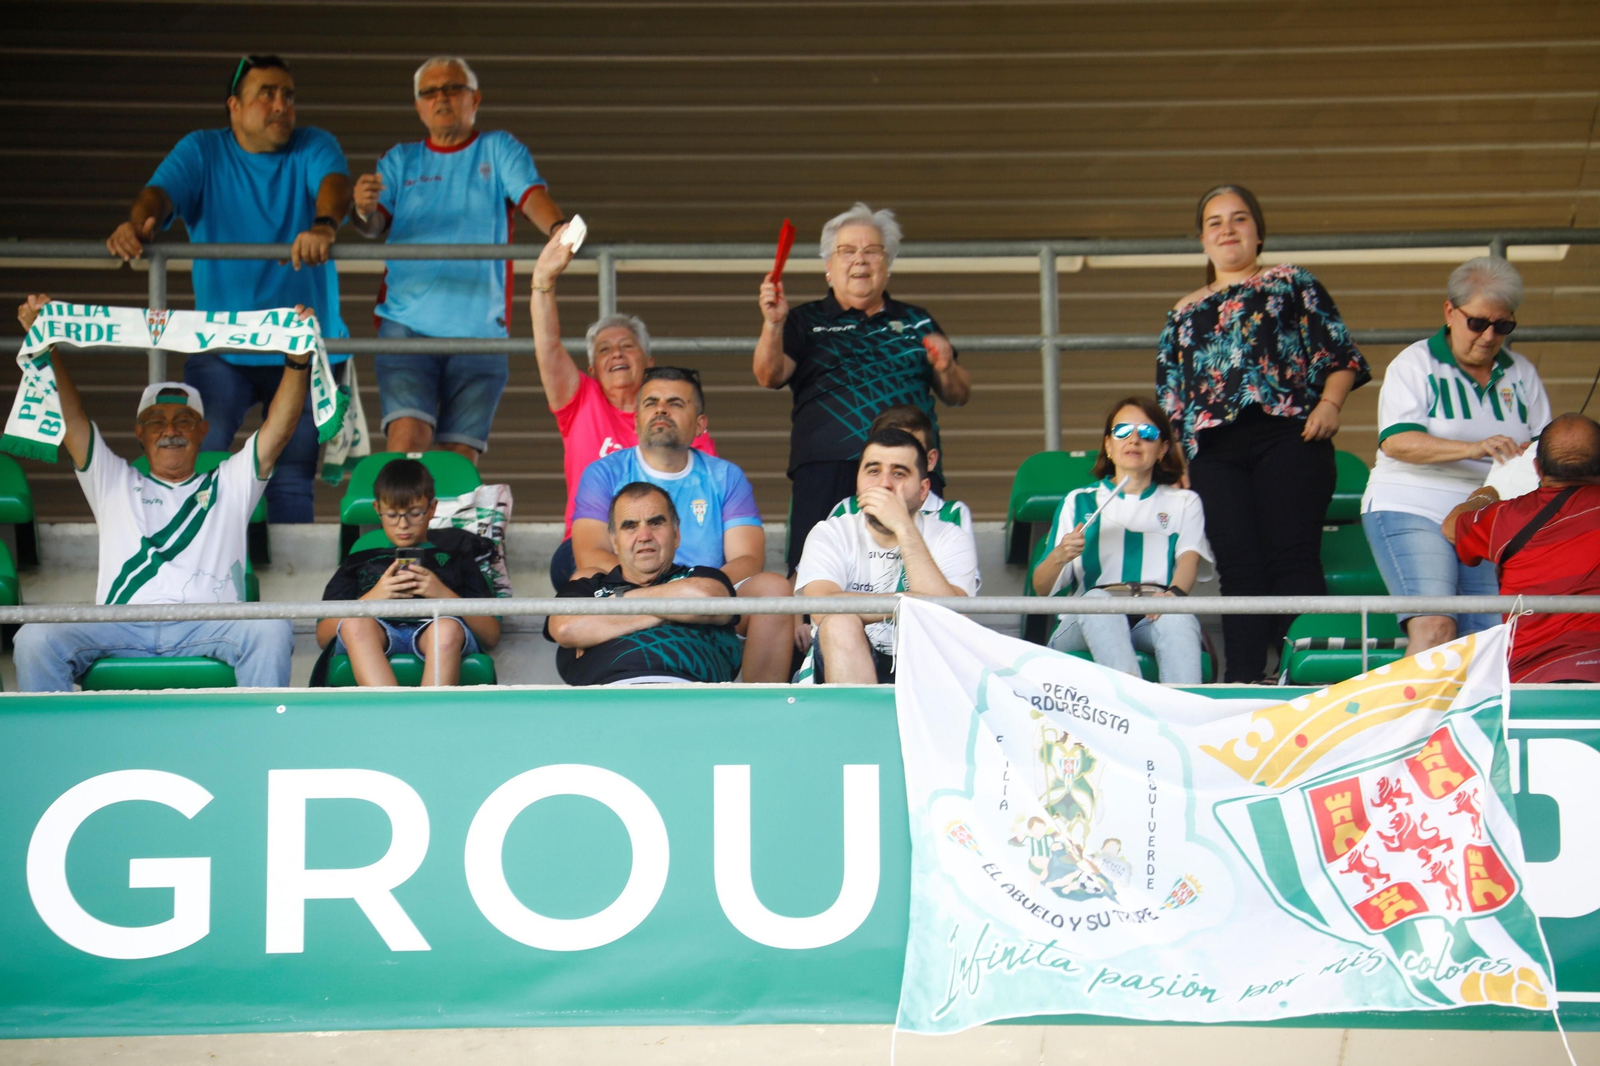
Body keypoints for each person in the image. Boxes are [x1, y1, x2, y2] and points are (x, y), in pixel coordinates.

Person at [105, 55, 352, 523]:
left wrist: (323, 226)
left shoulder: (314, 144)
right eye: (267, 94)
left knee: (293, 473)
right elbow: (157, 195)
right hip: (222, 346)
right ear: (234, 107)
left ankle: (289, 588)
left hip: (300, 345)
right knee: (202, 457)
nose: (281, 104)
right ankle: (196, 562)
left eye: (288, 94)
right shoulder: (203, 150)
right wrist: (138, 225)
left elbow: (335, 185)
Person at [11, 294, 302, 691]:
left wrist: (298, 360)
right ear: (140, 433)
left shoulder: (229, 482)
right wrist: (46, 348)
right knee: (33, 638)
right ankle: (53, 749)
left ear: (203, 431)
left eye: (184, 421)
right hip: (118, 625)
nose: (170, 431)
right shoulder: (113, 480)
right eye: (156, 422)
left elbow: (280, 428)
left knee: (271, 631)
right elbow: (71, 419)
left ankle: (260, 747)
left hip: (209, 623)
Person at [1156, 184, 1370, 682]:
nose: (1227, 229)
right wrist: (1181, 462)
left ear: (1258, 234)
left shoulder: (1292, 281)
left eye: (1239, 219)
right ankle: (1245, 682)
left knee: (1292, 558)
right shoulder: (1182, 313)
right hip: (1214, 453)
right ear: (1202, 241)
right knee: (1239, 570)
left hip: (1289, 438)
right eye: (1215, 222)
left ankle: (1309, 680)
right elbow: (1172, 400)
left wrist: (1331, 403)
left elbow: (1339, 355)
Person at [351, 56, 567, 464]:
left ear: (475, 99)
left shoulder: (498, 148)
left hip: (479, 331)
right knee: (406, 437)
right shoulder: (399, 159)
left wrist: (558, 230)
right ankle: (397, 530)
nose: (441, 98)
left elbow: (531, 197)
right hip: (406, 324)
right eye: (429, 92)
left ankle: (445, 532)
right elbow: (373, 224)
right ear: (418, 106)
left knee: (458, 455)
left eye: (452, 88)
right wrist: (361, 209)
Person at [755, 203, 972, 573]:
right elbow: (768, 375)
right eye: (847, 251)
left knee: (917, 569)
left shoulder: (917, 319)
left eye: (872, 250)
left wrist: (946, 366)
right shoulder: (804, 320)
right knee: (817, 571)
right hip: (828, 464)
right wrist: (773, 325)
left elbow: (958, 393)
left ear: (887, 265)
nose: (860, 260)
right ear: (828, 266)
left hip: (909, 465)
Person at [1362, 256, 1552, 655]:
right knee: (1435, 625)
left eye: (1502, 327)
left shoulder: (1522, 373)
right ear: (1450, 312)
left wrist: (1530, 458)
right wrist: (1475, 448)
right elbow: (1396, 441)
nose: (1488, 336)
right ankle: (1416, 718)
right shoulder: (1414, 363)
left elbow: (1546, 451)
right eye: (1478, 323)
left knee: (1492, 634)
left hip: (1491, 516)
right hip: (1412, 503)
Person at [569, 367, 797, 682]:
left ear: (700, 424)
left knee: (773, 589)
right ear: (635, 421)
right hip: (628, 584)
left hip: (707, 592)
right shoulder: (602, 473)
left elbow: (748, 560)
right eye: (651, 403)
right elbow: (590, 554)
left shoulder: (726, 476)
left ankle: (759, 712)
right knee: (580, 578)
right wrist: (668, 596)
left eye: (675, 403)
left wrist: (693, 591)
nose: (661, 409)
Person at [530, 231, 718, 588]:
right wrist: (542, 283)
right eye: (604, 350)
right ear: (591, 371)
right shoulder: (580, 401)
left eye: (626, 346)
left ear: (648, 363)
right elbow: (548, 347)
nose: (615, 353)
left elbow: (704, 497)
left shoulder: (678, 417)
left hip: (670, 549)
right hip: (594, 546)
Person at [1031, 398, 1212, 683]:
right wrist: (1060, 555)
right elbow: (1041, 587)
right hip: (1087, 619)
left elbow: (1189, 558)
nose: (1134, 439)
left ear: (1163, 449)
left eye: (1148, 433)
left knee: (1178, 617)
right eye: (1123, 431)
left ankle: (1183, 717)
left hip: (1150, 614)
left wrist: (1172, 597)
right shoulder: (1079, 501)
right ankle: (1131, 708)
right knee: (1099, 602)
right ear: (1108, 446)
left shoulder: (1184, 502)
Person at [796, 429, 979, 684]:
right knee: (839, 622)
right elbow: (820, 608)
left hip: (926, 666)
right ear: (858, 483)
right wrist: (908, 602)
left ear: (924, 489)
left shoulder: (951, 536)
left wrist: (903, 527)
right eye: (873, 471)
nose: (884, 484)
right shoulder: (830, 532)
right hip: (845, 658)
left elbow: (952, 618)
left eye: (899, 473)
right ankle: (861, 723)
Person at [315, 459, 500, 686]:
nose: (403, 524)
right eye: (392, 514)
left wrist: (443, 594)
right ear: (377, 509)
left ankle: (428, 714)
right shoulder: (359, 559)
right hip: (374, 632)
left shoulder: (456, 557)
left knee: (446, 628)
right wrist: (372, 599)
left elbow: (491, 635)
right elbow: (323, 636)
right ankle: (391, 713)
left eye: (414, 513)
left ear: (431, 508)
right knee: (355, 624)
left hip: (438, 629)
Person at [1445, 414, 1600, 682]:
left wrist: (1488, 492)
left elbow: (1451, 526)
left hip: (1532, 678)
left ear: (1537, 468)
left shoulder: (1506, 518)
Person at [545, 483, 742, 685]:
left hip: (695, 700)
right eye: (630, 526)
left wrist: (606, 613)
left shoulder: (702, 576)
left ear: (676, 535)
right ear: (614, 541)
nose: (645, 536)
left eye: (655, 523)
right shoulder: (589, 587)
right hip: (607, 703)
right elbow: (566, 628)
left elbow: (705, 598)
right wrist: (674, 611)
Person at [828, 404, 974, 528]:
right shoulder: (847, 509)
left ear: (930, 460)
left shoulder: (952, 515)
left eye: (912, 448)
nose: (898, 459)